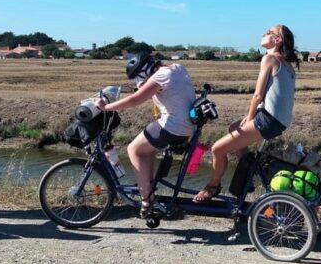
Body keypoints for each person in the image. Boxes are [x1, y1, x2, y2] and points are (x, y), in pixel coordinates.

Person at [193, 25, 298, 203]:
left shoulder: (270, 58)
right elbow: (276, 97)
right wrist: (252, 117)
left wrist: (250, 119)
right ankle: (247, 171)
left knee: (217, 149)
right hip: (277, 120)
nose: (264, 33)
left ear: (277, 40)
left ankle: (213, 186)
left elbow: (258, 95)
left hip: (268, 120)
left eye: (269, 32)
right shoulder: (288, 65)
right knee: (233, 127)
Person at [97, 53, 196, 216]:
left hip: (173, 126)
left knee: (133, 149)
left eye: (138, 77)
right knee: (146, 149)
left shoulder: (161, 76)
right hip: (187, 126)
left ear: (144, 71)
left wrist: (106, 108)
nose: (138, 82)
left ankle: (146, 198)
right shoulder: (177, 67)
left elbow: (135, 100)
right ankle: (147, 186)